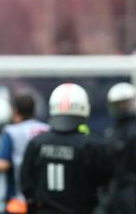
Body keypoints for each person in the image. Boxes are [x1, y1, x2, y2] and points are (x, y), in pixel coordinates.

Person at [21, 82, 113, 214]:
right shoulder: (93, 145)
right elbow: (106, 183)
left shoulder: (37, 143)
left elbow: (26, 182)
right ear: (85, 108)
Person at [0, 93, 49, 214]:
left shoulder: (11, 131)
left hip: (18, 200)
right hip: (44, 198)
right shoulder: (47, 129)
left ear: (15, 111)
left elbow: (2, 164)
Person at [105, 82, 136, 214]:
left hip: (126, 192)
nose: (122, 108)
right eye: (119, 104)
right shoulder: (112, 131)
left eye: (125, 103)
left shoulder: (111, 132)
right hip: (125, 192)